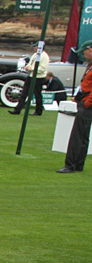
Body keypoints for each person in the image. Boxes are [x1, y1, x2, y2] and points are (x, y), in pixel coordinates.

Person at [58, 40, 92, 173]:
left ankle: (71, 165)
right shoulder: (89, 65)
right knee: (83, 135)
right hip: (84, 101)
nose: (83, 56)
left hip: (87, 104)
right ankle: (78, 164)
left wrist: (87, 102)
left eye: (84, 52)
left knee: (78, 135)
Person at [10, 44, 49, 116]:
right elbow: (30, 63)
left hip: (39, 77)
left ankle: (38, 111)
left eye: (35, 46)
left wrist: (32, 69)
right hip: (30, 76)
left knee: (37, 94)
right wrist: (27, 67)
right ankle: (17, 109)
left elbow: (42, 68)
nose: (34, 48)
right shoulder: (35, 55)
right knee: (24, 93)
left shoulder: (44, 56)